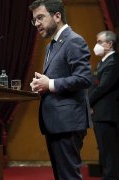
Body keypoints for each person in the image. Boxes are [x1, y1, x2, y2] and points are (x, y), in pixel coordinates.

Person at [29, 0, 92, 179]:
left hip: (68, 122)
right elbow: (56, 79)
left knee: (68, 176)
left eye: (40, 17)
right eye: (34, 20)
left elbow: (84, 78)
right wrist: (42, 85)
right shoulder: (51, 45)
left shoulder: (74, 41)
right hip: (56, 123)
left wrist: (50, 84)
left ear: (57, 16)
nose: (37, 24)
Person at [88, 30, 119, 179]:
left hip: (107, 114)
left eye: (100, 42)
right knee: (104, 150)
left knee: (109, 152)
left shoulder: (113, 62)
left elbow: (102, 88)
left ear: (109, 44)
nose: (96, 45)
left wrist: (87, 102)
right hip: (100, 113)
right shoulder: (103, 61)